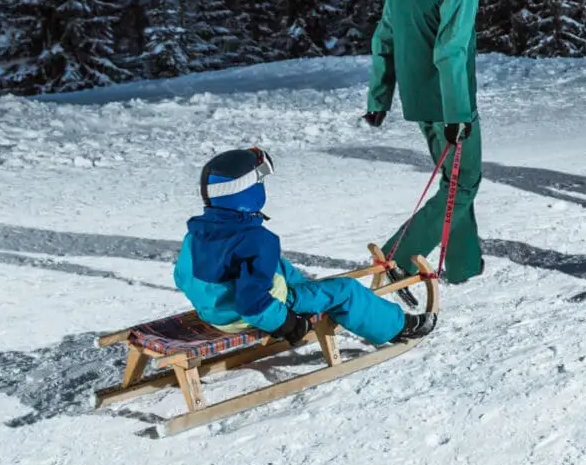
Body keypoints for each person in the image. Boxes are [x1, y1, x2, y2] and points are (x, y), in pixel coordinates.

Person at [176, 146, 432, 344]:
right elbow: (251, 304)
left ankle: (305, 292)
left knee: (273, 265)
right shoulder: (256, 241)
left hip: (213, 311)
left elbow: (182, 277)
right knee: (346, 290)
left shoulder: (197, 231)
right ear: (248, 193)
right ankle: (398, 327)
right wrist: (287, 324)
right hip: (242, 316)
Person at [362, 0, 488, 283]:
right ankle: (397, 258)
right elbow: (451, 50)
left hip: (418, 101)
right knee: (463, 184)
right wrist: (457, 115)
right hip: (450, 103)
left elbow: (384, 38)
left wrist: (378, 99)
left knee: (454, 182)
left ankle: (465, 264)